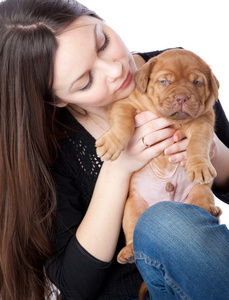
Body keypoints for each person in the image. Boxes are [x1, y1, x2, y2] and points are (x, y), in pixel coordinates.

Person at [0, 0, 229, 299]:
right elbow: (75, 286)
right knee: (163, 220)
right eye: (86, 81)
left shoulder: (177, 70)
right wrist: (118, 168)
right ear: (56, 99)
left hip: (202, 274)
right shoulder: (49, 148)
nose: (116, 69)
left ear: (99, 17)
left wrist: (209, 149)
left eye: (103, 42)